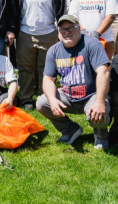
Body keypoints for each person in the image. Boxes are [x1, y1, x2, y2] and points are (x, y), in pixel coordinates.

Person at [36, 15, 111, 148]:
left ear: (79, 28)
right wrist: (53, 100)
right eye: (63, 29)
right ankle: (70, 130)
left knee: (97, 112)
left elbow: (103, 72)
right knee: (42, 103)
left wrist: (100, 101)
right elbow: (48, 79)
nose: (67, 32)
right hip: (68, 96)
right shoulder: (54, 50)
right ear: (58, 32)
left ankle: (101, 134)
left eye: (71, 27)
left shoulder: (92, 43)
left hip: (91, 95)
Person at [14, 0, 66, 111]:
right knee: (25, 68)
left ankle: (46, 97)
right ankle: (27, 98)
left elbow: (61, 11)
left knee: (46, 69)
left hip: (49, 33)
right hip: (25, 33)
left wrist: (60, 31)